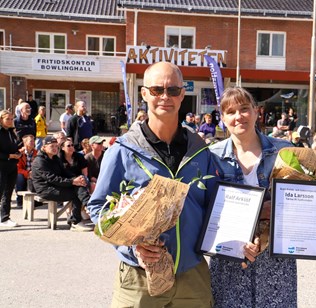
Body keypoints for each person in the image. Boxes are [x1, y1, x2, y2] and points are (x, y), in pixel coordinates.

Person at [87, 62, 218, 307]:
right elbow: (97, 209)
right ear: (144, 93)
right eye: (157, 90)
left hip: (192, 274)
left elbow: (214, 208)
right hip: (139, 275)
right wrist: (132, 242)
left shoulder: (201, 152)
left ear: (182, 95)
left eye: (172, 90)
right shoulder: (123, 150)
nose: (165, 97)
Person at [209, 87, 296, 308]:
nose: (238, 116)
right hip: (229, 259)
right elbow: (205, 208)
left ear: (257, 112)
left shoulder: (284, 151)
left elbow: (299, 201)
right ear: (222, 118)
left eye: (244, 109)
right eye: (230, 112)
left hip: (276, 262)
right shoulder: (212, 156)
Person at [31, 136, 92, 231]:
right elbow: (53, 179)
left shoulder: (56, 158)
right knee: (76, 193)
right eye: (52, 146)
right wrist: (72, 181)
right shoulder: (39, 161)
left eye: (56, 146)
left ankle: (88, 207)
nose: (55, 148)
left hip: (56, 186)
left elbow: (65, 172)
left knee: (79, 186)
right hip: (46, 189)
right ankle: (79, 219)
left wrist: (76, 178)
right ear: (44, 147)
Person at [0, 110, 20, 227]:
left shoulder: (12, 132)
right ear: (1, 119)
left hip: (12, 166)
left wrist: (18, 152)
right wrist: (8, 156)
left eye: (12, 119)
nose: (10, 121)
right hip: (1, 166)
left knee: (8, 193)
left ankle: (4, 217)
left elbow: (13, 147)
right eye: (8, 119)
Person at [16, 134, 37, 208]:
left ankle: (36, 201)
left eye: (33, 141)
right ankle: (19, 200)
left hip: (33, 173)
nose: (33, 142)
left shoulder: (36, 153)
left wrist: (33, 173)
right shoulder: (19, 153)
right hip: (22, 173)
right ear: (25, 143)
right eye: (30, 141)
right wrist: (27, 173)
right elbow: (18, 169)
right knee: (20, 177)